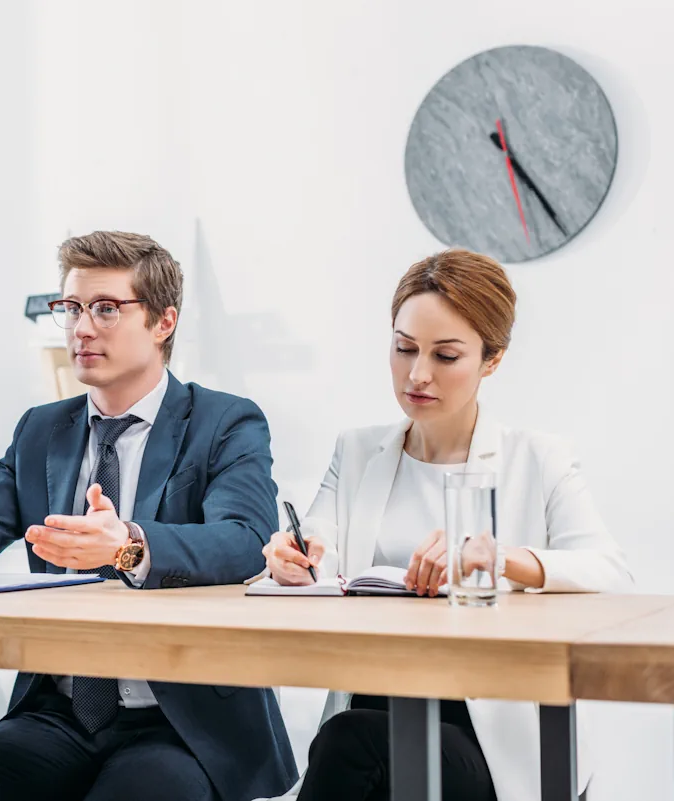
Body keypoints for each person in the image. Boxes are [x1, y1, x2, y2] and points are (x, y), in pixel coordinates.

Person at [0, 230, 297, 801]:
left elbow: (243, 541)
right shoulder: (42, 429)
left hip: (181, 723)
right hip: (62, 710)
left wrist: (128, 546)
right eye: (70, 308)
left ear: (164, 323)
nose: (82, 328)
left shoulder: (225, 421)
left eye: (106, 309)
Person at [261, 248, 633, 801]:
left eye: (446, 356)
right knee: (351, 740)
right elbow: (321, 550)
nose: (418, 374)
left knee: (348, 743)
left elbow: (611, 575)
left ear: (492, 359)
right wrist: (291, 560)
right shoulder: (359, 451)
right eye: (404, 348)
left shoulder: (537, 459)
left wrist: (498, 558)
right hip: (373, 705)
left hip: (487, 736)